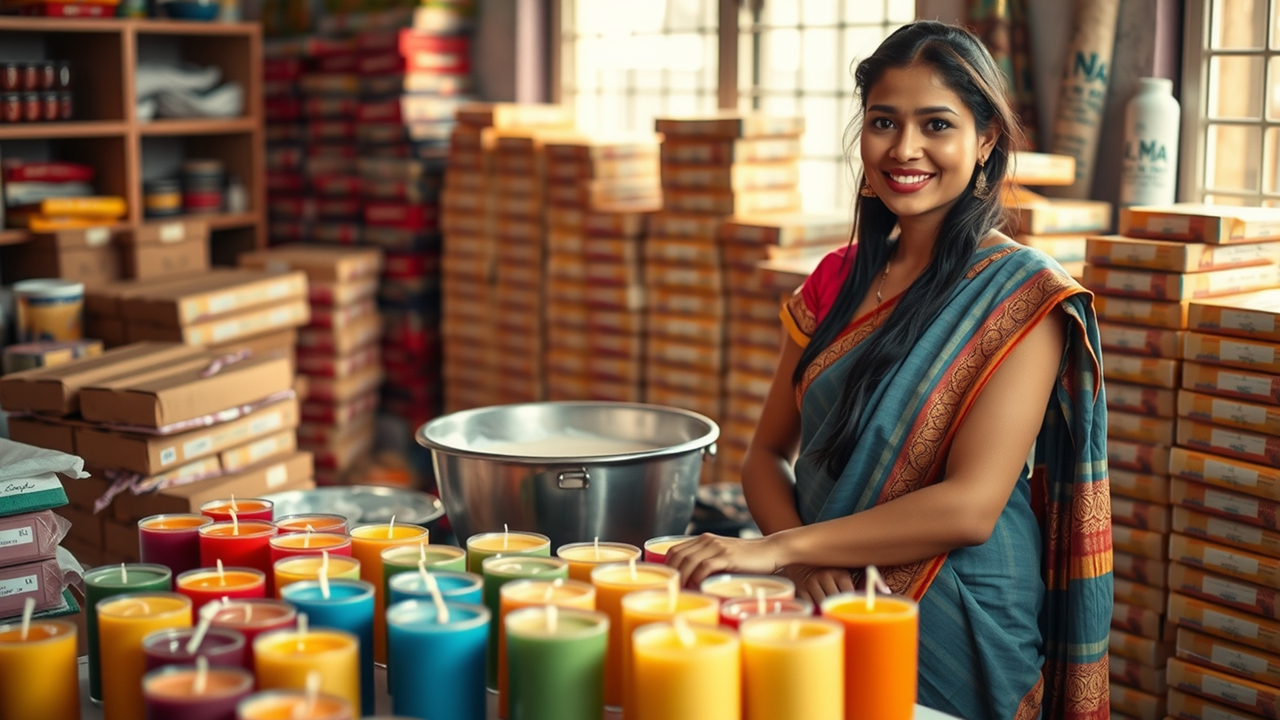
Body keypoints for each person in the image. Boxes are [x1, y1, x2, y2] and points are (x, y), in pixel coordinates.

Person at [666, 21, 1112, 720]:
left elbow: (970, 507)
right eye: (883, 122)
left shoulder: (1021, 295)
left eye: (936, 124)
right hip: (823, 597)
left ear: (985, 139)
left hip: (960, 615)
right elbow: (764, 457)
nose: (905, 150)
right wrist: (804, 566)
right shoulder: (835, 281)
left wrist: (782, 547)